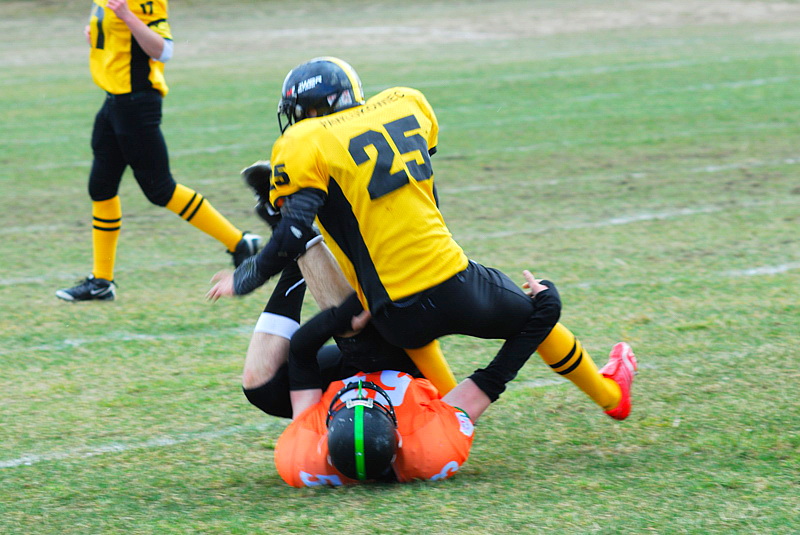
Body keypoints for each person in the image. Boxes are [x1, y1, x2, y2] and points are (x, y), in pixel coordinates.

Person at [207, 57, 637, 422]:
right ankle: (610, 396)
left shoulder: (304, 141)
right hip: (457, 283)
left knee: (409, 333)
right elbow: (420, 187)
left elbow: (294, 231)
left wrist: (245, 277)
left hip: (394, 311)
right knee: (536, 320)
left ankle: (452, 419)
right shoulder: (405, 103)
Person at [56, 0, 259, 302]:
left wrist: (126, 15)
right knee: (101, 188)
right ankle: (101, 281)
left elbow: (163, 50)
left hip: (137, 103)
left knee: (161, 189)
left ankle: (239, 243)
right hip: (114, 100)